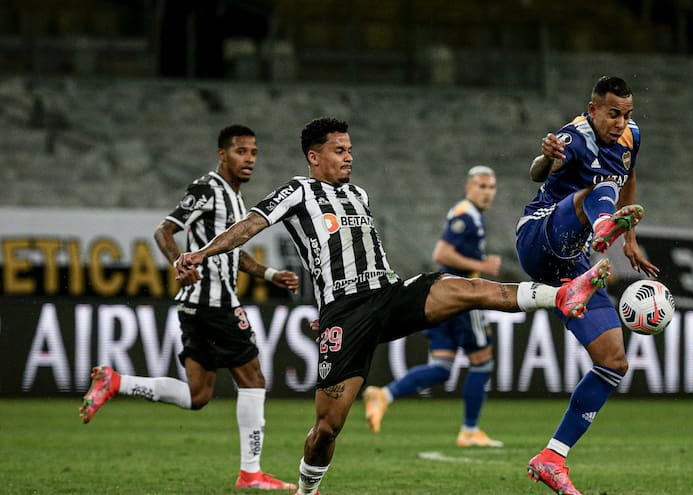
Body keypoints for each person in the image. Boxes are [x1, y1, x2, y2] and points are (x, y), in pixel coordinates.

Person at [174, 117, 611, 495]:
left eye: (350, 149)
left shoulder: (359, 195)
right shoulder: (297, 192)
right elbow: (250, 225)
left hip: (389, 293)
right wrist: (200, 253)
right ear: (313, 156)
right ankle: (308, 488)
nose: (348, 157)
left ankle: (562, 294)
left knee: (464, 289)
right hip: (345, 313)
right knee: (328, 428)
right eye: (338, 150)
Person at [79, 124, 300, 491]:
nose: (249, 159)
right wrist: (179, 262)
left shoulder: (234, 198)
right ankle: (251, 473)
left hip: (194, 308)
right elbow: (164, 231)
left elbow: (232, 251)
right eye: (241, 151)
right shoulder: (207, 189)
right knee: (253, 379)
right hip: (214, 303)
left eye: (254, 152)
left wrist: (270, 273)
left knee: (197, 396)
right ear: (222, 155)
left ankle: (116, 381)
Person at [515, 76, 660, 495]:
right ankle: (602, 228)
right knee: (592, 191)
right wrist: (546, 158)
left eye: (627, 114)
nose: (620, 122)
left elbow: (626, 180)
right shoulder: (574, 135)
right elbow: (538, 171)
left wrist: (630, 241)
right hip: (539, 237)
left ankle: (552, 458)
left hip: (574, 263)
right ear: (593, 109)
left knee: (614, 361)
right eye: (612, 113)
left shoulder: (631, 137)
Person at [362, 165, 505, 448]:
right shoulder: (466, 216)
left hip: (444, 295)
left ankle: (384, 395)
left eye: (491, 187)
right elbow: (441, 253)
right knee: (482, 361)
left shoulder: (468, 213)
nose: (487, 192)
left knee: (441, 366)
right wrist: (482, 265)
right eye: (481, 186)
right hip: (464, 295)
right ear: (469, 188)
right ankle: (469, 430)